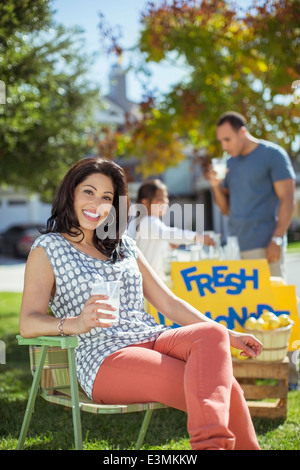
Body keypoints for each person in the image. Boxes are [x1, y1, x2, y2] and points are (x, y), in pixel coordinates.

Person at [19, 157, 263, 450]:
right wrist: (77, 323)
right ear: (70, 192)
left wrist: (230, 335)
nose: (97, 203)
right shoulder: (48, 248)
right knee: (226, 391)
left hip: (152, 337)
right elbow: (28, 322)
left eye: (106, 197)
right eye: (88, 192)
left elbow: (169, 303)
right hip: (104, 355)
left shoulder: (123, 245)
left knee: (212, 335)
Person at [205, 111, 295, 278]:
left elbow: (288, 199)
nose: (224, 146)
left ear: (242, 132)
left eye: (227, 139)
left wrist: (277, 239)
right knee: (245, 304)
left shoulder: (273, 154)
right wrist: (216, 186)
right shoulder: (230, 163)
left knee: (274, 302)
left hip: (266, 246)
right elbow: (226, 210)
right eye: (221, 141)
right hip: (236, 248)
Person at [127, 179, 214, 281]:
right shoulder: (148, 221)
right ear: (145, 202)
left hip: (152, 282)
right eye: (160, 199)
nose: (166, 202)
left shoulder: (149, 222)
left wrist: (168, 245)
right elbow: (169, 233)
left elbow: (162, 238)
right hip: (148, 284)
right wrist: (198, 237)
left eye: (166, 198)